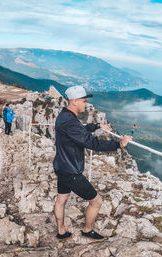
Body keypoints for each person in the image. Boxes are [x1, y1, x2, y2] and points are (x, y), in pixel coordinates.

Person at [52, 86, 132, 240]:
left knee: (61, 199)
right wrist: (118, 144)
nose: (86, 104)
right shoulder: (70, 122)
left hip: (61, 166)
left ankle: (61, 232)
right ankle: (87, 230)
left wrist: (96, 126)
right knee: (96, 202)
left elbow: (80, 130)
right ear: (74, 102)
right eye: (83, 101)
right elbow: (92, 143)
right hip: (71, 171)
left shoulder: (64, 116)